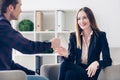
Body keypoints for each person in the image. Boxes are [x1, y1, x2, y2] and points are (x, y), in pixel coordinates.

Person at [0, 0, 60, 80]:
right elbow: (27, 47)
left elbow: (9, 64)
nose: (21, 10)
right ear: (11, 8)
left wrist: (32, 73)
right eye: (20, 6)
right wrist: (50, 44)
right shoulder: (3, 26)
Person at [55, 7, 112, 80]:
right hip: (78, 69)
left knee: (64, 65)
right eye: (79, 19)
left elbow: (108, 60)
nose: (81, 21)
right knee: (69, 74)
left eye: (84, 17)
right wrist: (66, 55)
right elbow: (71, 60)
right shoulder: (74, 36)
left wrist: (97, 63)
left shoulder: (100, 36)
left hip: (90, 73)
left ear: (90, 18)